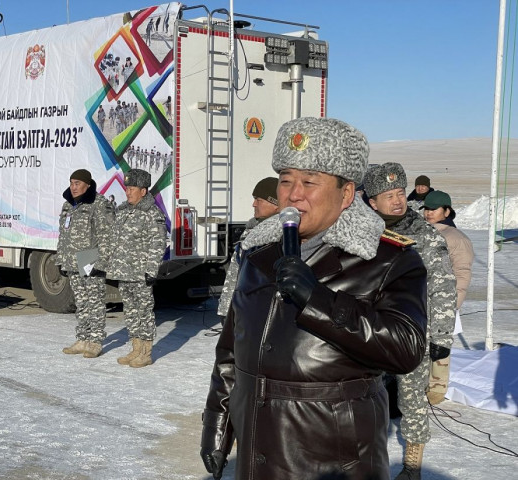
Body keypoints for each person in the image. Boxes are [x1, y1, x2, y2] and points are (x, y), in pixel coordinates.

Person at [201, 117, 428, 480]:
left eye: (309, 182)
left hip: (333, 459)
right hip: (256, 450)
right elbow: (231, 347)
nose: (293, 194)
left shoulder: (388, 259)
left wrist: (317, 299)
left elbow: (406, 348)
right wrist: (217, 420)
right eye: (286, 180)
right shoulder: (258, 254)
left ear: (346, 193)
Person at [363, 163, 456, 480]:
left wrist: (442, 338)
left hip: (412, 332)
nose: (397, 200)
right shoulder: (360, 235)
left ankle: (412, 467)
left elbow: (442, 285)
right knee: (364, 398)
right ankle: (363, 462)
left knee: (412, 399)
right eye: (388, 195)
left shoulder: (425, 237)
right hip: (368, 331)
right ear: (372, 202)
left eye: (400, 192)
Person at [107, 169, 167, 368]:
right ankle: (135, 348)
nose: (128, 192)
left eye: (132, 188)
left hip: (141, 272)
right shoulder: (124, 210)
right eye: (127, 188)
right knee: (131, 312)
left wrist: (151, 270)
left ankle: (146, 352)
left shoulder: (151, 213)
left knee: (144, 312)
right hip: (124, 271)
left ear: (143, 191)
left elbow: (157, 243)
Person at [421, 190, 474, 405]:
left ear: (447, 210)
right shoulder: (421, 233)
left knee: (439, 347)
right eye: (426, 208)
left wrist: (452, 305)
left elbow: (462, 273)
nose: (428, 213)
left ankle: (436, 390)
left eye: (433, 209)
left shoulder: (456, 238)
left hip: (443, 304)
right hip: (419, 299)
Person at [56, 169, 115, 358]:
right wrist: (61, 259)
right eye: (71, 183)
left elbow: (107, 236)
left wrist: (102, 262)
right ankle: (82, 338)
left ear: (87, 185)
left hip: (90, 257)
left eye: (77, 183)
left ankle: (95, 341)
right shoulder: (68, 205)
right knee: (81, 302)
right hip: (72, 259)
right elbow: (63, 234)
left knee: (95, 301)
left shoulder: (98, 204)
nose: (73, 187)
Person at [217, 176, 279, 317]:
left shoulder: (278, 234)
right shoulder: (252, 229)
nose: (253, 204)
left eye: (259, 200)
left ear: (276, 204)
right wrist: (226, 310)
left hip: (257, 313)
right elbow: (236, 271)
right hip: (237, 310)